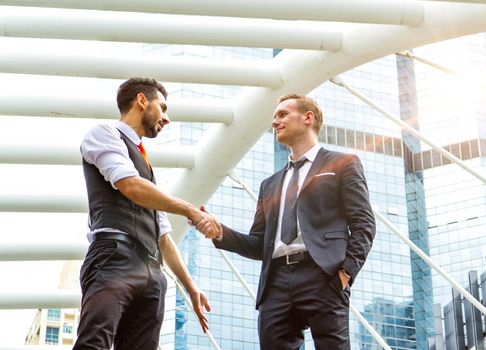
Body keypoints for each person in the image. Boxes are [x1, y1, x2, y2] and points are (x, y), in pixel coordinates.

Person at [203, 94, 376, 349]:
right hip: (275, 283)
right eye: (274, 117)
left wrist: (346, 273)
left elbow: (364, 224)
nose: (275, 122)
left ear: (308, 118)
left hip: (324, 275)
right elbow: (258, 244)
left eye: (282, 114)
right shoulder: (269, 185)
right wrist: (220, 232)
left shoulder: (342, 164)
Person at [75, 77, 221, 350]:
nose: (166, 118)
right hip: (114, 258)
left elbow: (163, 234)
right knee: (94, 344)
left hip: (153, 271)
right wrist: (189, 209)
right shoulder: (105, 134)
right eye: (163, 108)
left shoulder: (147, 169)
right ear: (142, 100)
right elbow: (128, 184)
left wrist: (191, 288)